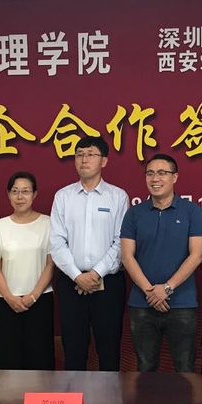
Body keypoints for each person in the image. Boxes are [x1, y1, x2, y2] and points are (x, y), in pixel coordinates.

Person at [121, 153, 202, 372]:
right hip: (142, 303)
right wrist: (151, 292)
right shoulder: (134, 213)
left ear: (174, 177)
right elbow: (127, 256)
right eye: (150, 173)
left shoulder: (192, 211)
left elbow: (196, 255)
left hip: (181, 303)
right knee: (145, 368)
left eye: (162, 173)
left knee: (185, 368)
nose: (155, 179)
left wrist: (167, 288)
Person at [50, 136, 129, 371]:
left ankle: (110, 396)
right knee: (73, 350)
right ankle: (75, 394)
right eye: (79, 154)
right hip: (71, 283)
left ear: (104, 161)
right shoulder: (63, 196)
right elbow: (57, 241)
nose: (84, 159)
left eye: (91, 154)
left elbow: (120, 241)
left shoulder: (118, 196)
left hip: (108, 283)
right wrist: (78, 276)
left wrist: (95, 274)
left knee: (109, 349)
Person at [0, 171, 54, 370]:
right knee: (6, 361)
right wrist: (9, 297)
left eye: (25, 191)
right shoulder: (0, 226)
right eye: (15, 191)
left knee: (39, 360)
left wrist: (33, 296)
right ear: (8, 194)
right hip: (7, 301)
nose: (20, 196)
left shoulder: (48, 223)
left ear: (34, 194)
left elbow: (51, 264)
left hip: (40, 300)